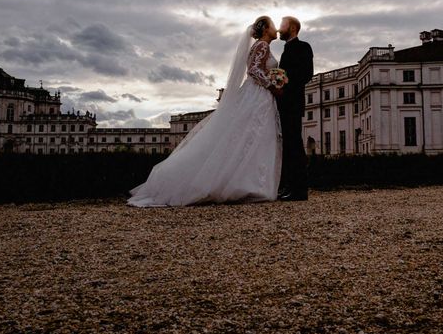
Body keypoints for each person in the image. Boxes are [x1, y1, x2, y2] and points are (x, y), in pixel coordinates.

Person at [127, 16, 282, 206]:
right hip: (258, 94)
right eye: (273, 26)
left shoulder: (258, 46)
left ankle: (246, 183)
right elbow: (255, 71)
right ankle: (250, 184)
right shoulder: (263, 46)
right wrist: (272, 85)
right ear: (266, 29)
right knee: (253, 136)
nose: (277, 29)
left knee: (246, 137)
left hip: (255, 94)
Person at [276, 16, 314, 201]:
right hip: (283, 104)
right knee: (288, 145)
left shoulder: (303, 47)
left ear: (292, 28)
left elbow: (307, 74)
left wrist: (285, 83)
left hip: (292, 102)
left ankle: (299, 190)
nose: (278, 28)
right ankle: (290, 187)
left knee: (295, 145)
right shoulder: (286, 49)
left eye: (281, 25)